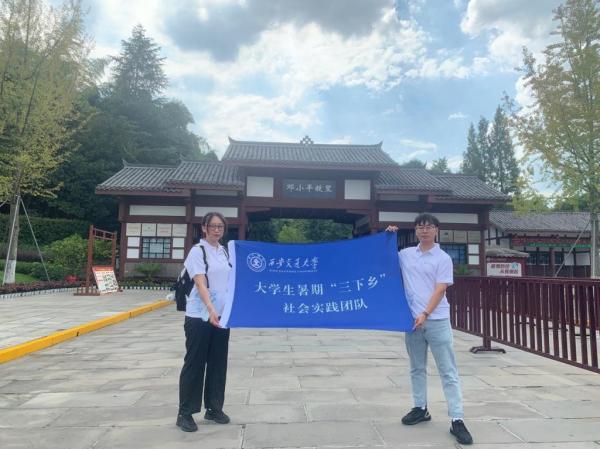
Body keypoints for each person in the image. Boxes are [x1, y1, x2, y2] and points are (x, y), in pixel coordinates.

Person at [386, 213, 473, 445]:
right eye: (420, 227)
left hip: (436, 320)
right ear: (415, 231)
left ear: (436, 230)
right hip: (412, 322)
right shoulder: (406, 255)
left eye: (428, 227)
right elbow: (383, 258)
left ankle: (457, 418)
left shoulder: (443, 258)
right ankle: (420, 408)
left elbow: (440, 289)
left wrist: (425, 313)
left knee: (447, 370)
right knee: (417, 368)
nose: (424, 230)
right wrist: (387, 236)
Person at [176, 212, 232, 432]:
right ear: (204, 227)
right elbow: (200, 284)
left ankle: (214, 408)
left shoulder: (224, 251)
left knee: (218, 362)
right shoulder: (197, 251)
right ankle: (185, 413)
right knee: (195, 362)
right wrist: (210, 309)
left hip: (222, 317)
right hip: (199, 316)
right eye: (213, 226)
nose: (217, 230)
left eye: (221, 227)